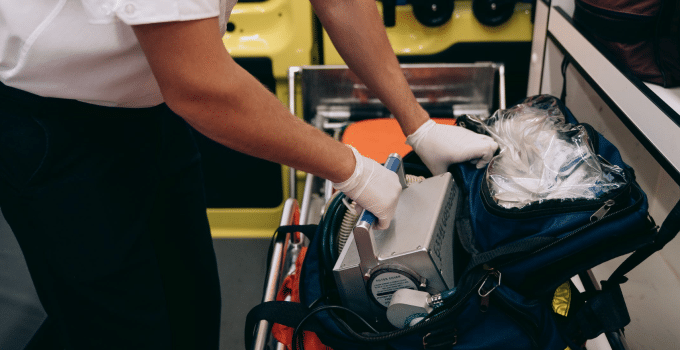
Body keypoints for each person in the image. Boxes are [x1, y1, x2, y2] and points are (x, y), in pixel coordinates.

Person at [0, 0, 498, 348]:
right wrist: (354, 172)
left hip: (147, 104)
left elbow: (341, 1)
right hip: (52, 124)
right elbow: (200, 85)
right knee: (122, 330)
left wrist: (419, 125)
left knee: (190, 309)